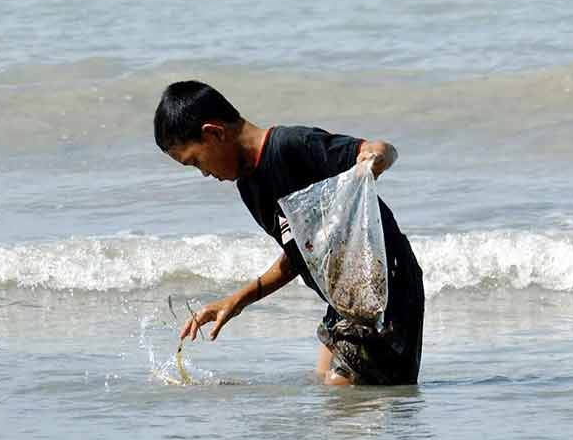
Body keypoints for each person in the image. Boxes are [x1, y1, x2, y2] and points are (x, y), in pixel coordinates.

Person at [154, 80, 424, 385]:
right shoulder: (249, 187)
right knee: (323, 381)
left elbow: (379, 149)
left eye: (196, 161)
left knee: (341, 386)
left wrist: (372, 160)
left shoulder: (291, 145)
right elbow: (297, 256)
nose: (204, 173)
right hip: (345, 301)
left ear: (214, 132)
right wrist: (236, 301)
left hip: (386, 288)